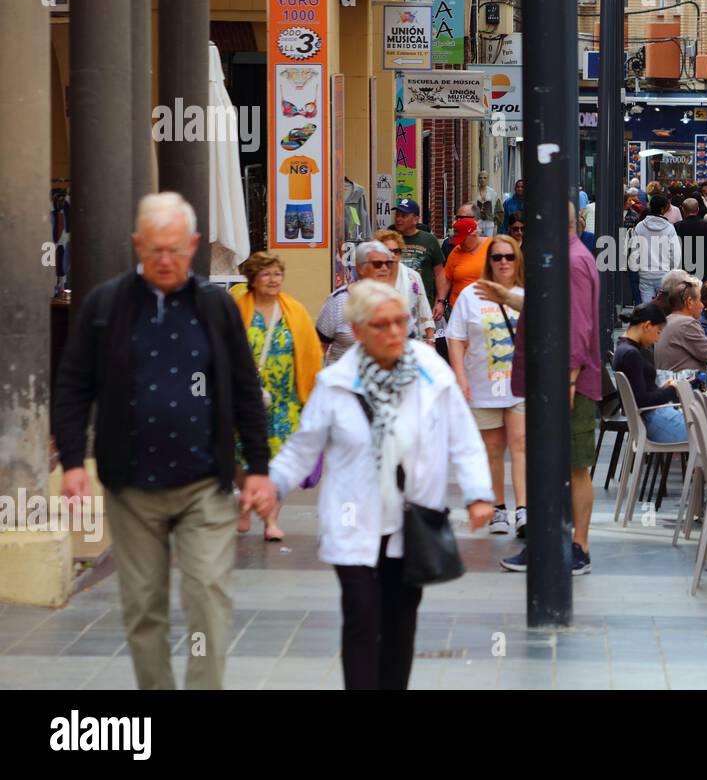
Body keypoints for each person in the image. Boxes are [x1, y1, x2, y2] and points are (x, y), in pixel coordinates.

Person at [53, 192, 270, 690]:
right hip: (132, 485)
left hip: (204, 485)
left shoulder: (215, 306)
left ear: (193, 245)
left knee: (208, 598)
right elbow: (73, 386)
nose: (166, 261)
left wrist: (257, 467)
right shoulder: (105, 305)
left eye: (175, 249)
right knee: (143, 606)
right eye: (154, 251)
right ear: (137, 246)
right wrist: (71, 462)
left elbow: (242, 388)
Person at [250, 281, 493, 690]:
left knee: (401, 621)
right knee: (362, 617)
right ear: (359, 331)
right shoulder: (335, 383)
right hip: (354, 522)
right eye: (382, 325)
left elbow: (464, 437)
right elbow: (302, 447)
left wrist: (478, 494)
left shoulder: (431, 372)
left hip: (413, 522)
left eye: (400, 322)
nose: (396, 332)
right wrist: (271, 485)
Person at [490, 203, 602, 574]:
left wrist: (568, 380)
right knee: (552, 466)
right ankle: (545, 542)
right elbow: (550, 308)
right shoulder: (563, 258)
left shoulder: (570, 262)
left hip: (566, 384)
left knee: (572, 467)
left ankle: (578, 548)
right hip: (553, 381)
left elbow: (577, 325)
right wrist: (508, 297)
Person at [233, 251, 324, 542]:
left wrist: (311, 394)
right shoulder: (236, 308)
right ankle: (246, 504)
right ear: (253, 279)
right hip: (244, 399)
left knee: (281, 460)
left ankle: (271, 518)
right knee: (240, 457)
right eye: (266, 274)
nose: (273, 280)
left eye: (277, 274)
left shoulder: (293, 310)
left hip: (285, 399)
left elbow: (310, 352)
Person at [447, 233, 527, 540]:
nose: (504, 262)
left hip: (520, 383)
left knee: (520, 445)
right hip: (482, 384)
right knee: (493, 449)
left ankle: (523, 508)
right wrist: (460, 377)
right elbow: (455, 338)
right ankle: (498, 508)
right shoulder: (471, 295)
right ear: (488, 262)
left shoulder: (525, 293)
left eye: (509, 256)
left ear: (517, 259)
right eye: (497, 257)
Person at [317, 241, 404, 365]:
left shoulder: (395, 300)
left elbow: (407, 343)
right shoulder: (338, 300)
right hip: (346, 380)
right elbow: (319, 347)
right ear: (360, 268)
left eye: (388, 264)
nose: (384, 268)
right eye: (377, 264)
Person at [613, 303, 687, 441]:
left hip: (651, 417)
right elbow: (642, 400)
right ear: (647, 326)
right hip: (654, 418)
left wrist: (662, 389)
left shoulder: (624, 348)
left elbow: (639, 393)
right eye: (658, 332)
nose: (658, 339)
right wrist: (673, 389)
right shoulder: (631, 354)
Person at [656, 278, 707, 372]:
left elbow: (697, 352)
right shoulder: (688, 323)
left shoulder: (669, 320)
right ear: (690, 302)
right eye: (699, 301)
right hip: (683, 384)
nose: (702, 305)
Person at [392, 198, 448, 323]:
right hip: (393, 306)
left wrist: (440, 301)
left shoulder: (429, 240)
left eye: (404, 215)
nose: (398, 219)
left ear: (416, 219)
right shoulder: (389, 238)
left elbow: (439, 273)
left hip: (423, 307)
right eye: (397, 215)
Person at [375, 229, 436, 344]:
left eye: (396, 251)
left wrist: (430, 340)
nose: (392, 255)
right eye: (388, 251)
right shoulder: (373, 277)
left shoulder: (412, 277)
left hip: (410, 341)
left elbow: (423, 309)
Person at [631, 194, 682, 303]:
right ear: (663, 209)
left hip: (645, 274)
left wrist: (636, 267)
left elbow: (634, 251)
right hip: (663, 274)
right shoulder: (669, 228)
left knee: (648, 309)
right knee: (663, 309)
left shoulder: (640, 226)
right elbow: (675, 254)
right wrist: (672, 269)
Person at [444, 216, 490, 310]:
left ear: (474, 234)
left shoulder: (492, 247)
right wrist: (440, 301)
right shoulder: (456, 251)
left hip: (483, 308)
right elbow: (446, 279)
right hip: (458, 308)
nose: (460, 244)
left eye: (463, 240)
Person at [675, 196, 707, 281]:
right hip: (705, 270)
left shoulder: (677, 227)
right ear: (698, 209)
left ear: (683, 210)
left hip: (683, 271)